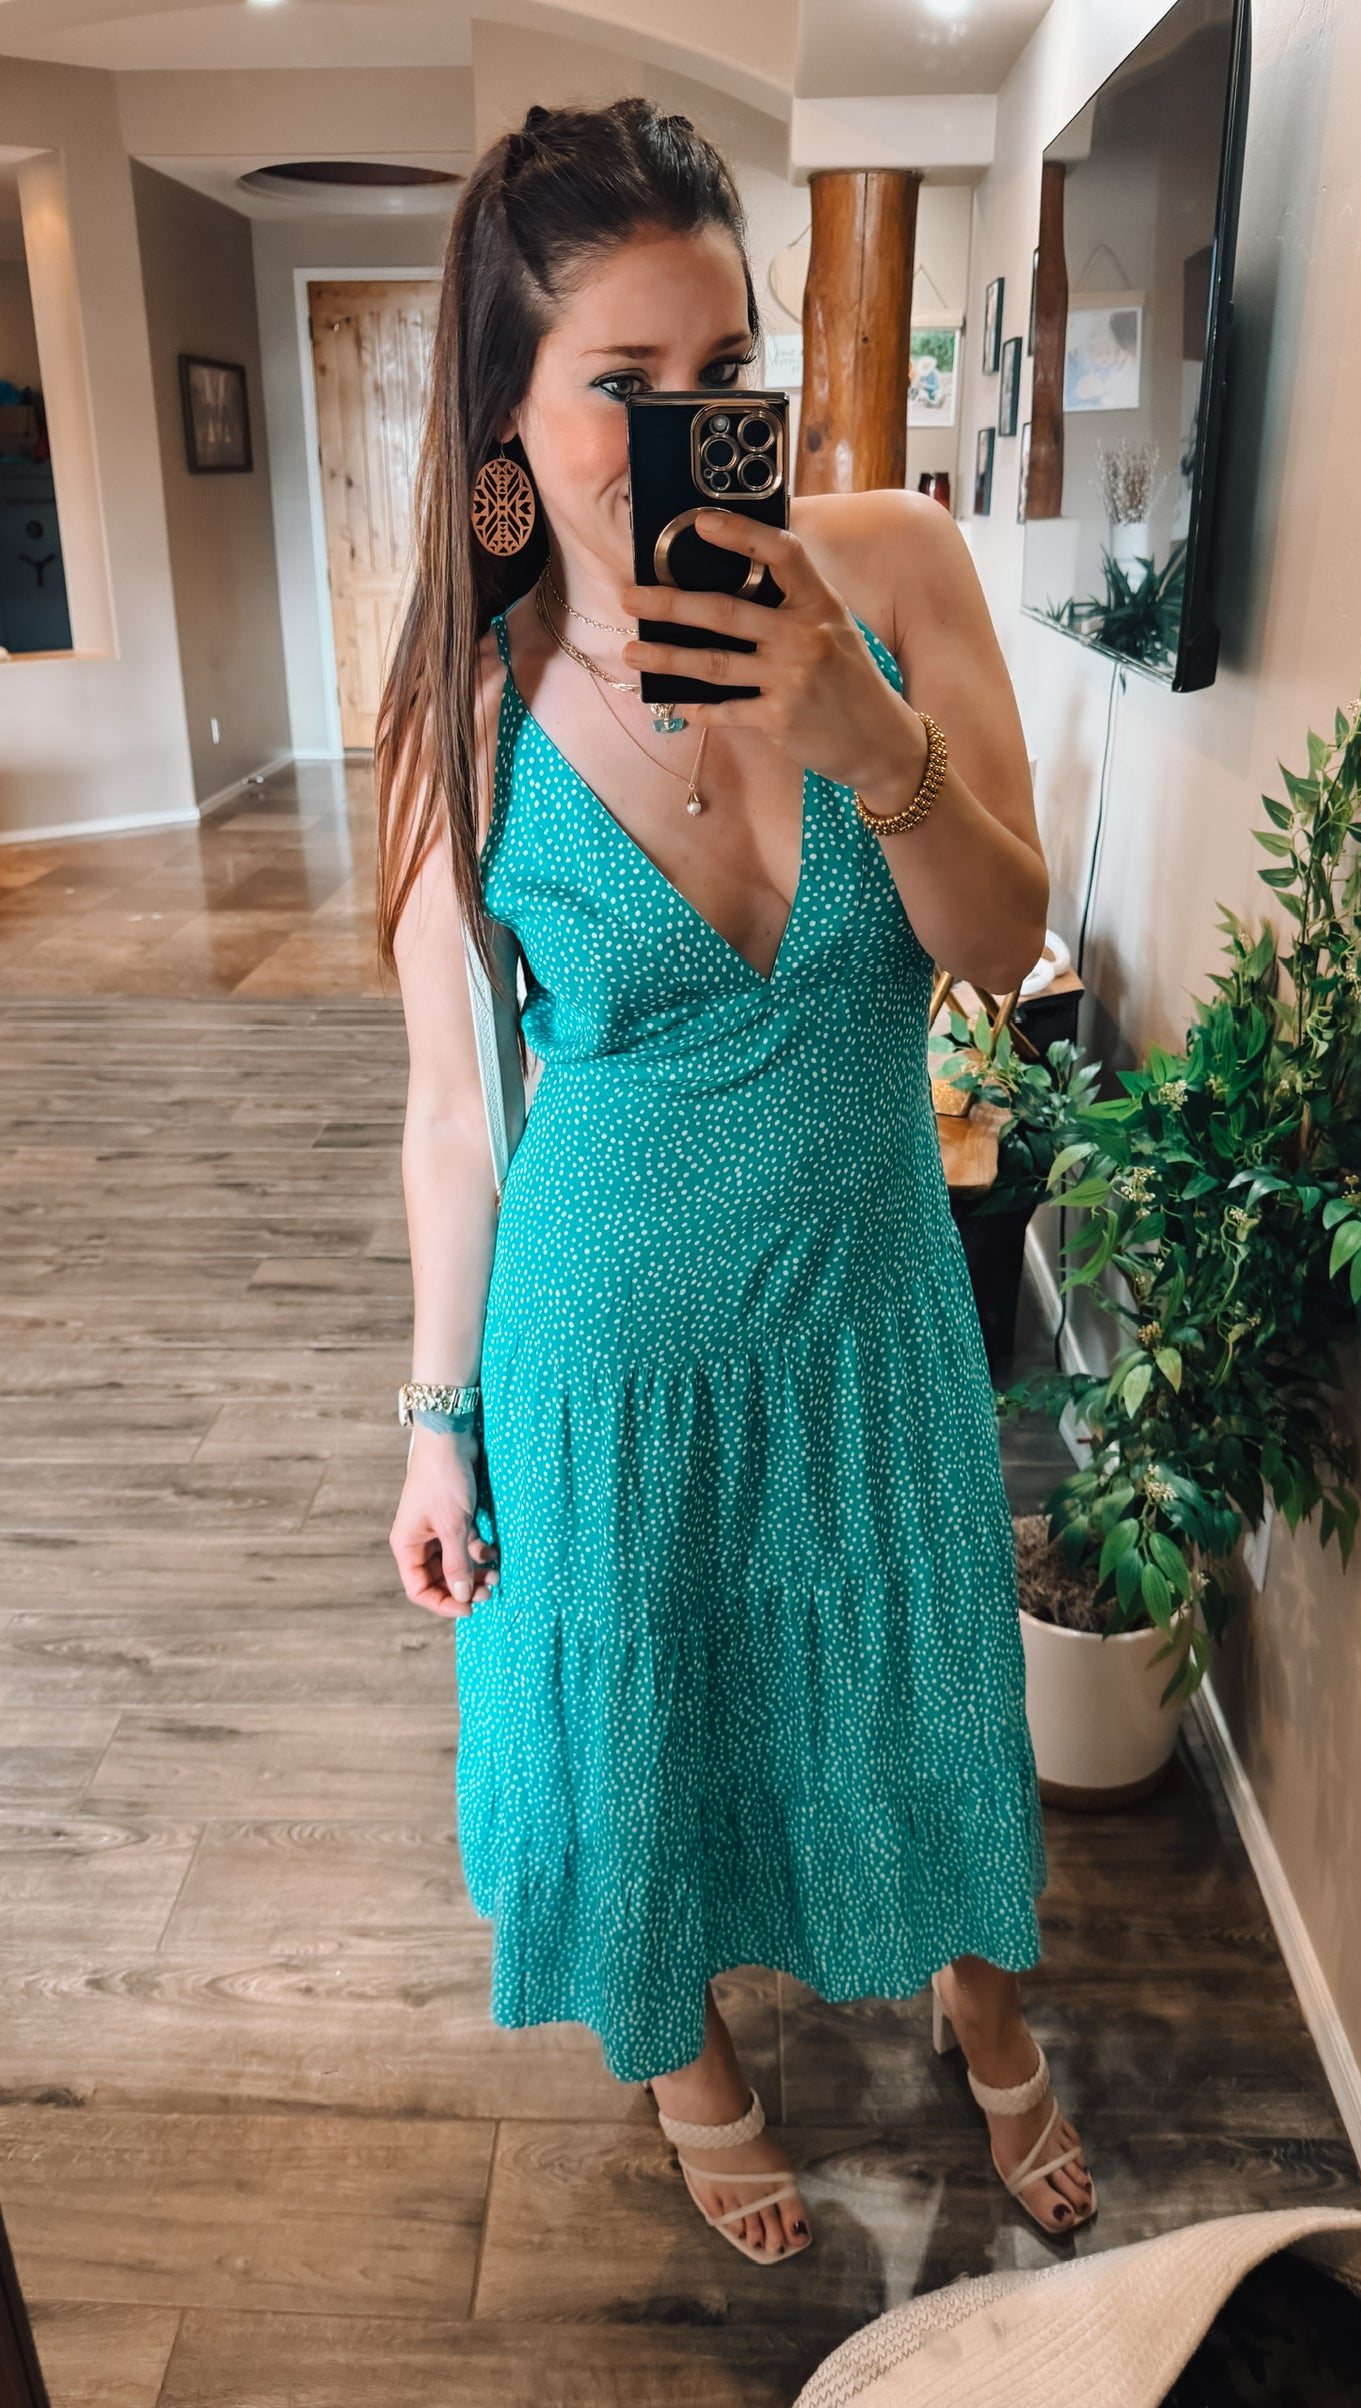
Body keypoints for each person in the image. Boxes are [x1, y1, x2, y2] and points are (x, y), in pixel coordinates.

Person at [377, 95, 1096, 2268]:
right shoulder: (466, 706)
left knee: (921, 1696)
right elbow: (451, 1107)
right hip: (604, 1354)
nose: (690, 428)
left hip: (875, 1317)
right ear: (508, 419)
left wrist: (863, 737)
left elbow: (1004, 945)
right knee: (638, 1726)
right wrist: (433, 1421)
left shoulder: (893, 574)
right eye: (623, 384)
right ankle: (687, 2068)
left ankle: (991, 2025)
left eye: (726, 371)